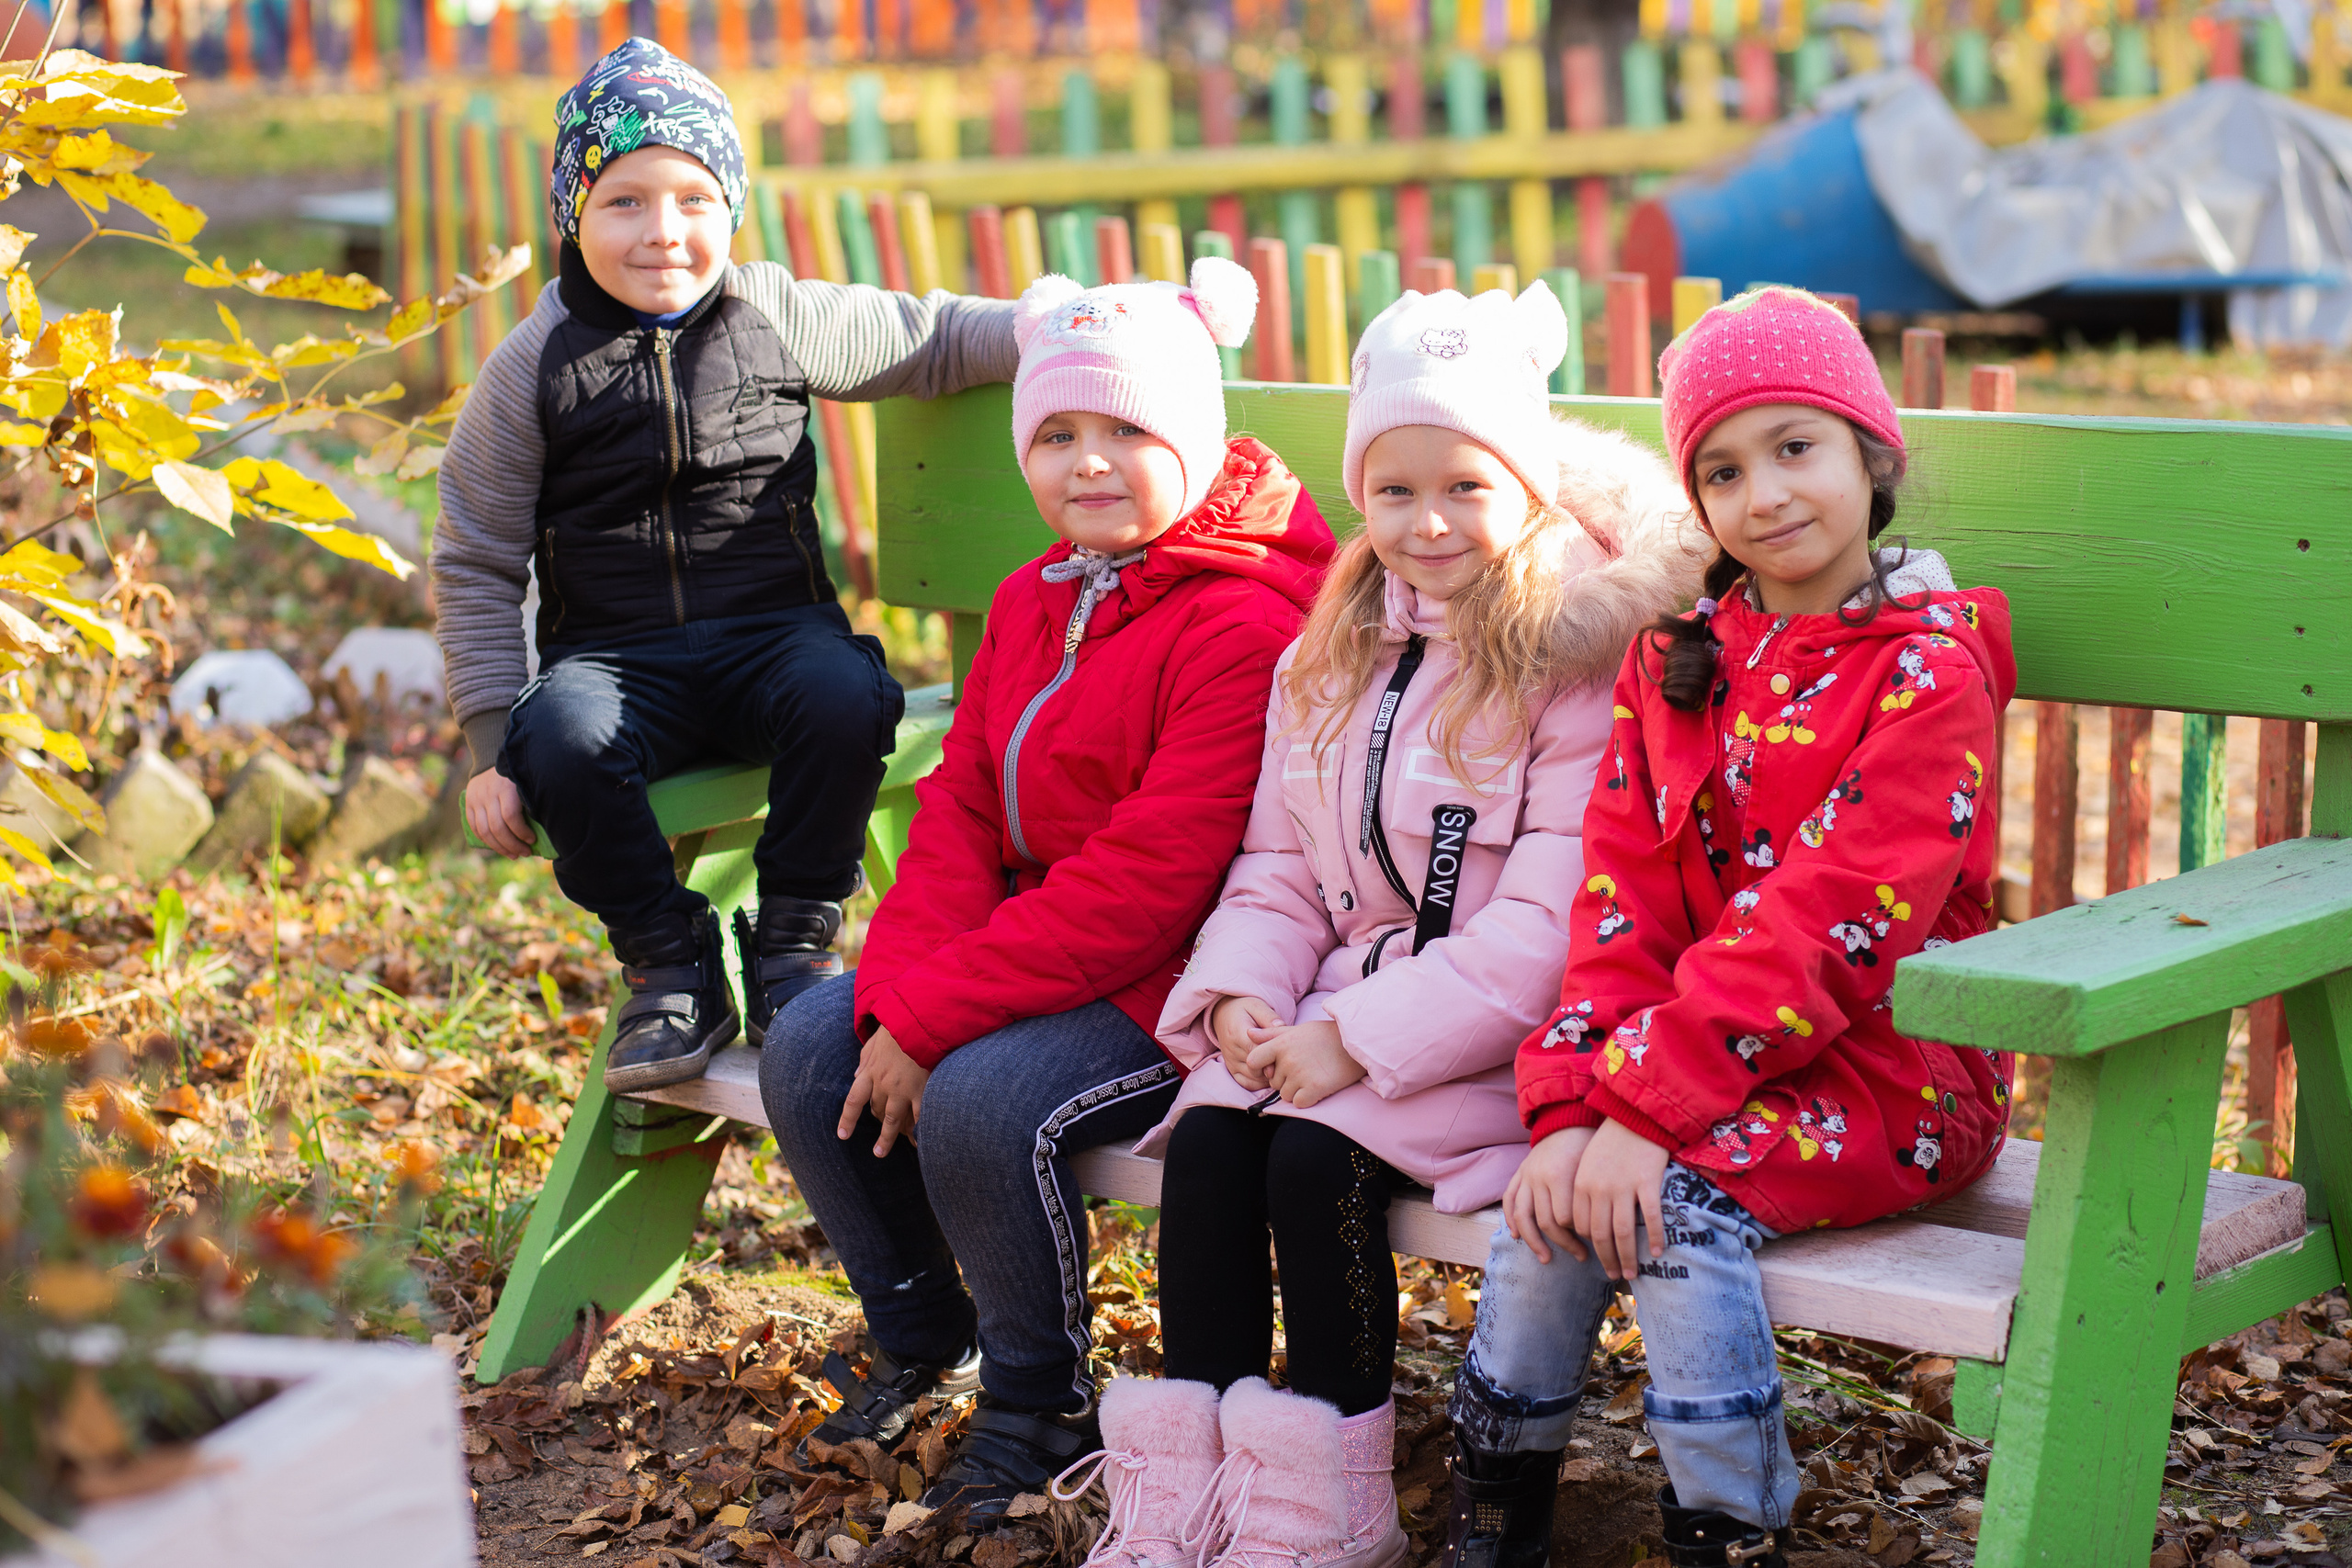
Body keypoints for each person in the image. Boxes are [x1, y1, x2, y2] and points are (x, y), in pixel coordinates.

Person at [1046, 282, 1699, 1568]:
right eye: (1393, 489)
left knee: (1310, 1162)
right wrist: (1244, 995)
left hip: (1492, 1042)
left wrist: (1353, 1037)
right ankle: (1196, 1484)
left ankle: (1330, 1498)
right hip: (1329, 1015)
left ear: (1525, 483)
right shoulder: (1332, 650)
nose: (1427, 520)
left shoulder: (1574, 663)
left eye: (1464, 485)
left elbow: (1549, 925)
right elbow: (1278, 861)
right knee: (1212, 1140)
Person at [1449, 287, 2018, 1568]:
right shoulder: (1676, 662)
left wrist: (1643, 1112)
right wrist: (1575, 1106)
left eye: (1794, 447)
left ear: (1872, 456)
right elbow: (1621, 901)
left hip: (1893, 1070)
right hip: (1693, 1059)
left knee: (1668, 1205)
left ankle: (1726, 1526)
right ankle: (1496, 1510)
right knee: (1554, 1195)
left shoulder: (1927, 673)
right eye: (1721, 469)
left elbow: (1831, 926)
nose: (1764, 494)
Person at [757, 258, 1335, 1521]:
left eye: (1126, 430)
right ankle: (922, 1331)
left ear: (1193, 436)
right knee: (808, 1042)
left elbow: (1151, 881)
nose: (1088, 462)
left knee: (982, 1099)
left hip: (1179, 970)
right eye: (1057, 433)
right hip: (1032, 946)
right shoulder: (1035, 594)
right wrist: (901, 997)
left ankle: (1039, 1394)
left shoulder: (1240, 625)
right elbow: (962, 806)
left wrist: (936, 1018)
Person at [432, 38, 1021, 1094]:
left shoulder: (775, 313)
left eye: (694, 200)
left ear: (731, 209)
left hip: (772, 641)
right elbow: (476, 556)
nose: (663, 231)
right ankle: (669, 960)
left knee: (846, 695)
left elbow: (930, 339)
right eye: (625, 202)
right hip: (616, 664)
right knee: (558, 739)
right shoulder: (531, 365)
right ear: (573, 212)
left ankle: (792, 939)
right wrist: (487, 741)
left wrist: (1062, 327)